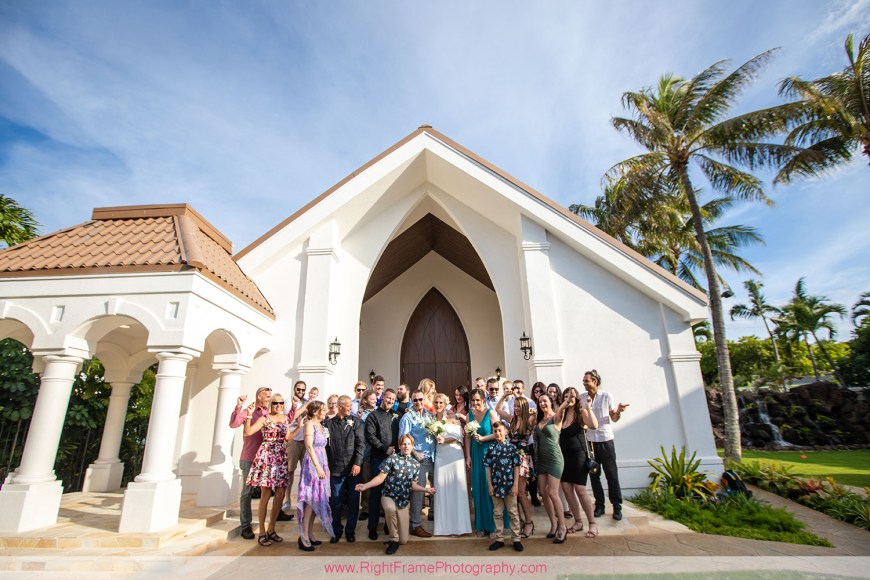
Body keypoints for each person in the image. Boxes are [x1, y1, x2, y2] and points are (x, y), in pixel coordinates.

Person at [355, 434, 436, 555]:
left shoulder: (415, 465)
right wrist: (365, 485)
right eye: (403, 444)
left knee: (403, 540)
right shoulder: (392, 459)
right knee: (390, 508)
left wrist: (426, 490)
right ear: (399, 446)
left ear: (412, 446)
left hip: (403, 501)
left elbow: (413, 485)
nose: (406, 446)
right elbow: (380, 477)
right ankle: (393, 539)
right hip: (389, 496)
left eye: (409, 444)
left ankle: (398, 536)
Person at [581, 369, 629, 520]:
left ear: (595, 381)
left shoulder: (606, 396)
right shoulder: (582, 398)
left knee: (612, 475)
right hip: (590, 441)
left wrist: (619, 411)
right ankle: (599, 505)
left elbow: (614, 418)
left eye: (586, 380)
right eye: (583, 381)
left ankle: (616, 506)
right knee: (594, 475)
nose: (584, 383)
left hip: (606, 440)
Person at [245, 393, 291, 546]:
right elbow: (249, 432)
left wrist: (301, 427)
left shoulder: (285, 419)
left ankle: (272, 528)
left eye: (281, 403)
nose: (278, 406)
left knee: (280, 494)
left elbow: (288, 438)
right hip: (267, 456)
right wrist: (249, 416)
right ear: (271, 404)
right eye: (275, 403)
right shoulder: (264, 419)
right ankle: (262, 531)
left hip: (281, 457)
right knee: (265, 494)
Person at [228, 386, 271, 539]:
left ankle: (266, 525)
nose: (268, 399)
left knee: (267, 491)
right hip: (250, 457)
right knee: (247, 493)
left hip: (266, 458)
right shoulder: (249, 411)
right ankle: (246, 525)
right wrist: (239, 406)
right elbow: (233, 424)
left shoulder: (268, 413)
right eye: (267, 396)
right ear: (259, 396)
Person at [558, 386, 599, 538]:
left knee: (580, 490)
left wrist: (588, 407)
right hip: (564, 457)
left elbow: (594, 425)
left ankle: (592, 523)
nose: (570, 399)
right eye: (567, 396)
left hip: (578, 456)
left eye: (573, 397)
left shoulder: (581, 413)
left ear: (577, 400)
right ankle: (578, 521)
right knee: (567, 488)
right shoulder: (561, 414)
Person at [494, 393, 535, 538]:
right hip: (509, 458)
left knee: (521, 492)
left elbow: (534, 418)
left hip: (522, 458)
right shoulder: (511, 420)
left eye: (519, 406)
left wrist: (533, 413)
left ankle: (529, 522)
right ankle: (521, 521)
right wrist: (504, 395)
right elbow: (498, 409)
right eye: (515, 406)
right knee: (513, 493)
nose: (516, 408)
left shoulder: (528, 421)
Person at [325, 395, 365, 543]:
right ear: (340, 406)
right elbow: (326, 446)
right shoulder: (328, 424)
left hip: (353, 468)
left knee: (354, 501)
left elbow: (361, 444)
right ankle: (336, 530)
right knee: (335, 500)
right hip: (336, 469)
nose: (350, 408)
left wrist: (357, 463)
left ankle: (350, 531)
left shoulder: (356, 422)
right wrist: (327, 466)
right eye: (348, 406)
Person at [465, 387, 504, 537]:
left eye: (478, 400)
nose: (475, 403)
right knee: (478, 488)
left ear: (483, 400)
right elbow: (468, 437)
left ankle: (494, 526)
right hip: (476, 453)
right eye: (473, 400)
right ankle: (481, 525)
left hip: (490, 453)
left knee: (490, 489)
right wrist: (468, 456)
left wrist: (483, 438)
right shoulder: (469, 415)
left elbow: (498, 432)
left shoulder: (491, 413)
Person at [432, 393, 471, 536]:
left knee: (456, 489)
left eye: (440, 402)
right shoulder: (431, 417)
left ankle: (459, 527)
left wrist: (445, 439)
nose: (438, 405)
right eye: (435, 402)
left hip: (454, 455)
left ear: (445, 403)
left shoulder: (452, 416)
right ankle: (443, 527)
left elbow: (459, 437)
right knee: (441, 488)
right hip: (440, 456)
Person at [297, 400, 333, 550]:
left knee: (317, 499)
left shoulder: (322, 427)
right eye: (323, 410)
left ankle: (310, 533)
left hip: (322, 462)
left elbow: (324, 448)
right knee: (310, 499)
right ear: (315, 412)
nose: (325, 412)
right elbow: (309, 446)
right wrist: (317, 467)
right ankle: (303, 535)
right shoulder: (309, 424)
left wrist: (326, 468)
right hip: (312, 464)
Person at [398, 390, 435, 538]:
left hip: (433, 456)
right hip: (419, 459)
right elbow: (403, 439)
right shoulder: (407, 417)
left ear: (424, 399)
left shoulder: (429, 415)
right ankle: (415, 525)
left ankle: (433, 515)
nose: (418, 403)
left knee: (435, 489)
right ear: (411, 402)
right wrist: (415, 454)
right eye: (415, 400)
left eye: (420, 399)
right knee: (418, 493)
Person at [364, 388, 399, 540]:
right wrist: (385, 449)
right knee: (376, 493)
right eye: (388, 397)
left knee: (390, 493)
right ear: (383, 397)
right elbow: (370, 436)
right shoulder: (373, 416)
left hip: (393, 460)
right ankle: (372, 527)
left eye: (393, 399)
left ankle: (387, 525)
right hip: (378, 459)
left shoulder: (396, 416)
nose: (390, 401)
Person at [483, 421, 524, 552]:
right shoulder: (490, 449)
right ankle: (499, 538)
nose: (498, 433)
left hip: (510, 484)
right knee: (497, 513)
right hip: (496, 486)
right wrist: (490, 485)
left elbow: (516, 466)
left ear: (506, 431)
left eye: (500, 431)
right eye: (495, 431)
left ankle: (516, 538)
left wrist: (516, 485)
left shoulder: (512, 448)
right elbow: (488, 468)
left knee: (513, 512)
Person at [534, 393, 567, 543]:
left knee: (553, 493)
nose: (542, 404)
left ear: (551, 402)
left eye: (545, 401)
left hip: (555, 459)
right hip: (541, 461)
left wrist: (568, 400)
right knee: (543, 492)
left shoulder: (556, 418)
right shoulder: (538, 420)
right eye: (540, 401)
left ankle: (562, 526)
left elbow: (562, 409)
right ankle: (553, 524)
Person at [281, 380, 309, 516]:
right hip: (293, 439)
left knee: (305, 472)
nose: (301, 392)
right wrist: (305, 406)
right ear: (294, 389)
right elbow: (292, 417)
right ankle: (287, 498)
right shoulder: (288, 402)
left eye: (303, 390)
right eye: (299, 389)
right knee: (290, 471)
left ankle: (302, 499)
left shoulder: (306, 402)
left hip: (305, 440)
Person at [357, 387, 378, 521]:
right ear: (365, 400)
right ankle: (365, 508)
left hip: (377, 451)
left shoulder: (378, 412)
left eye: (376, 399)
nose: (375, 401)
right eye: (372, 399)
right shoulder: (361, 415)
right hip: (366, 451)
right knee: (366, 480)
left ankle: (378, 507)